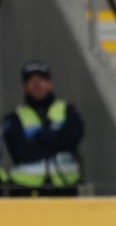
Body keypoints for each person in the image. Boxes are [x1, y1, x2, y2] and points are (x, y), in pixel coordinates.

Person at [2, 60, 83, 196]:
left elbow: (73, 139)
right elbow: (21, 152)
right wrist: (56, 139)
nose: (37, 84)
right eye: (31, 81)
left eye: (42, 79)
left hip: (65, 188)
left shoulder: (67, 110)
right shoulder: (13, 118)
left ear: (50, 83)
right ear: (24, 86)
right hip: (26, 190)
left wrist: (40, 138)